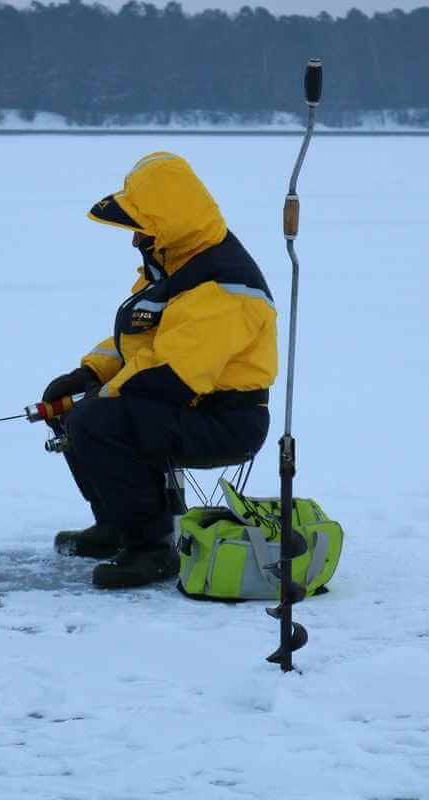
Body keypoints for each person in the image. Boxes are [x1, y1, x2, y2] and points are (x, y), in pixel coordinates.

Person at [42, 152, 278, 589]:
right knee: (83, 415)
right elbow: (141, 338)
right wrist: (90, 374)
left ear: (169, 224)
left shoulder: (223, 286)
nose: (136, 242)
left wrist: (97, 399)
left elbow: (168, 373)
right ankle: (116, 525)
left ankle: (152, 548)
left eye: (142, 231)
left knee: (98, 420)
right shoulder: (182, 265)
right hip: (188, 407)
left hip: (225, 420)